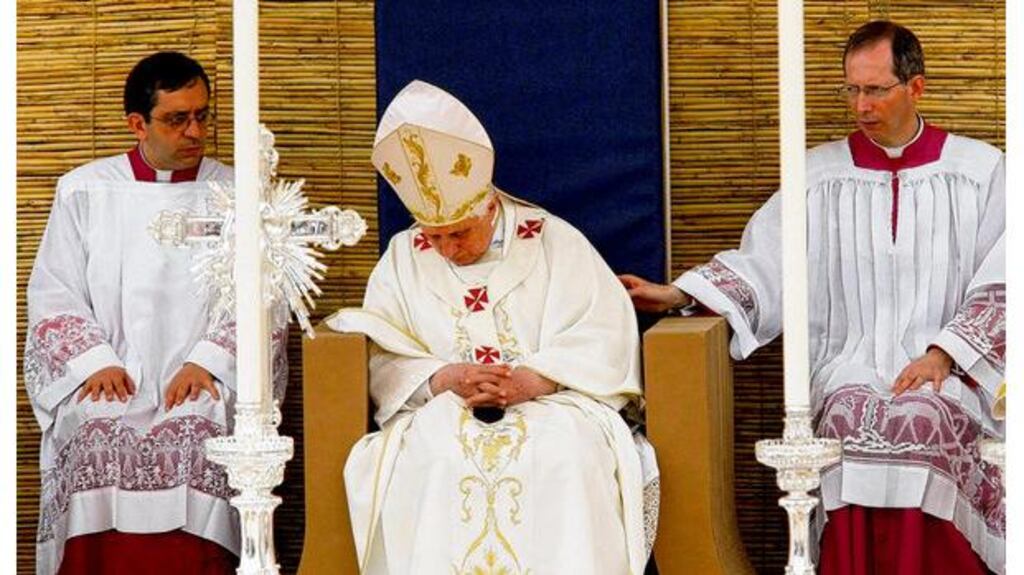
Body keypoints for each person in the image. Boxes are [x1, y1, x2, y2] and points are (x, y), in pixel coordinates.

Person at [620, 20, 1004, 575]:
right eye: (851, 89)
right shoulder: (817, 175)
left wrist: (945, 355)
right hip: (849, 363)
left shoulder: (981, 171)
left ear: (915, 86)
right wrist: (680, 291)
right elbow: (766, 262)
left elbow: (1004, 277)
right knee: (850, 417)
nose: (861, 105)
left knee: (925, 416)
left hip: (947, 369)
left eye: (876, 90)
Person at [328, 80, 658, 574]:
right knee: (434, 455)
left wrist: (536, 378)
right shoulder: (403, 256)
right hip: (443, 411)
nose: (447, 250)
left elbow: (603, 333)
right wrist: (442, 379)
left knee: (565, 453)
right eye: (434, 236)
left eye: (458, 233)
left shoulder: (553, 241)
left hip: (554, 405)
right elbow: (382, 353)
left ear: (487, 204)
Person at [24, 51, 287, 575]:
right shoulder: (85, 190)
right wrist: (93, 362)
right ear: (137, 124)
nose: (195, 131)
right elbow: (54, 292)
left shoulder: (237, 195)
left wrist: (209, 362)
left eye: (202, 115)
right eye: (176, 118)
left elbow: (267, 296)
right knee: (94, 424)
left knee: (200, 428)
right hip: (110, 375)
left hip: (197, 379)